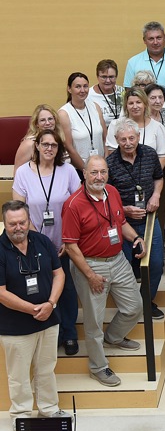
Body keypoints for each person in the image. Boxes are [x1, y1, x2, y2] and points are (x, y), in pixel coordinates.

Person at [62, 155, 146, 387]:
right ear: (84, 175)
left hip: (118, 259)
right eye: (94, 172)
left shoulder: (112, 192)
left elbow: (120, 223)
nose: (99, 177)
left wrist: (136, 238)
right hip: (91, 265)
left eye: (103, 172)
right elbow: (70, 246)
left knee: (134, 306)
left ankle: (114, 337)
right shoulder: (73, 204)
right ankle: (98, 367)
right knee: (94, 323)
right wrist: (90, 275)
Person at [12, 130, 80, 355]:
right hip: (34, 243)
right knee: (42, 288)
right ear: (37, 146)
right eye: (45, 144)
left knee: (67, 289)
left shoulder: (68, 171)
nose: (49, 148)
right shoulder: (24, 173)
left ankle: (69, 333)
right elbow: (19, 210)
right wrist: (42, 243)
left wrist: (68, 240)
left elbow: (78, 206)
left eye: (54, 145)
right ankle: (53, 332)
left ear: (59, 149)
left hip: (64, 243)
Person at [0, 200, 65, 421]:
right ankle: (21, 416)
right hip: (15, 327)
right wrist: (34, 310)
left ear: (29, 221)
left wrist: (51, 304)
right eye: (12, 224)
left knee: (46, 369)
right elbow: (1, 293)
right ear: (5, 223)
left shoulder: (42, 241)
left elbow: (59, 274)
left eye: (22, 222)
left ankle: (50, 409)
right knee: (18, 376)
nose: (18, 227)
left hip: (48, 319)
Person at [105, 118, 165, 320]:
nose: (128, 143)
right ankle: (131, 305)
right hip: (123, 222)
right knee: (126, 266)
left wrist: (156, 195)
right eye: (123, 139)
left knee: (156, 263)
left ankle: (147, 301)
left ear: (138, 136)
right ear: (116, 140)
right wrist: (124, 210)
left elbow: (158, 177)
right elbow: (106, 199)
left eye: (131, 138)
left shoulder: (149, 153)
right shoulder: (110, 164)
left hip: (149, 219)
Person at [105, 87, 165, 168]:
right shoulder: (115, 125)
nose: (135, 106)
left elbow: (162, 156)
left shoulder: (158, 127)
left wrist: (151, 173)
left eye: (138, 102)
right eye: (131, 103)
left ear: (145, 104)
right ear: (126, 106)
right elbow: (112, 154)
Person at [123, 21, 165, 106]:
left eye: (159, 38)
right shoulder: (133, 62)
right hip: (142, 113)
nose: (155, 42)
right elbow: (129, 91)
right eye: (151, 39)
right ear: (144, 40)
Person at [58, 72, 106, 172]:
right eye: (78, 87)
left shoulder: (95, 106)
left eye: (85, 86)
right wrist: (87, 171)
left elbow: (105, 138)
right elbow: (69, 147)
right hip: (80, 170)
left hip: (101, 168)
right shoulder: (64, 113)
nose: (82, 90)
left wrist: (104, 165)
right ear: (69, 89)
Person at [14, 104, 64, 172]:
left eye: (50, 119)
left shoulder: (61, 138)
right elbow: (17, 174)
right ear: (36, 124)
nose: (47, 123)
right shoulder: (29, 144)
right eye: (42, 120)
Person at [87, 59, 125, 126]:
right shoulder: (88, 95)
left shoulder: (123, 92)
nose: (108, 81)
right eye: (104, 77)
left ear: (116, 76)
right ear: (97, 77)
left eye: (111, 77)